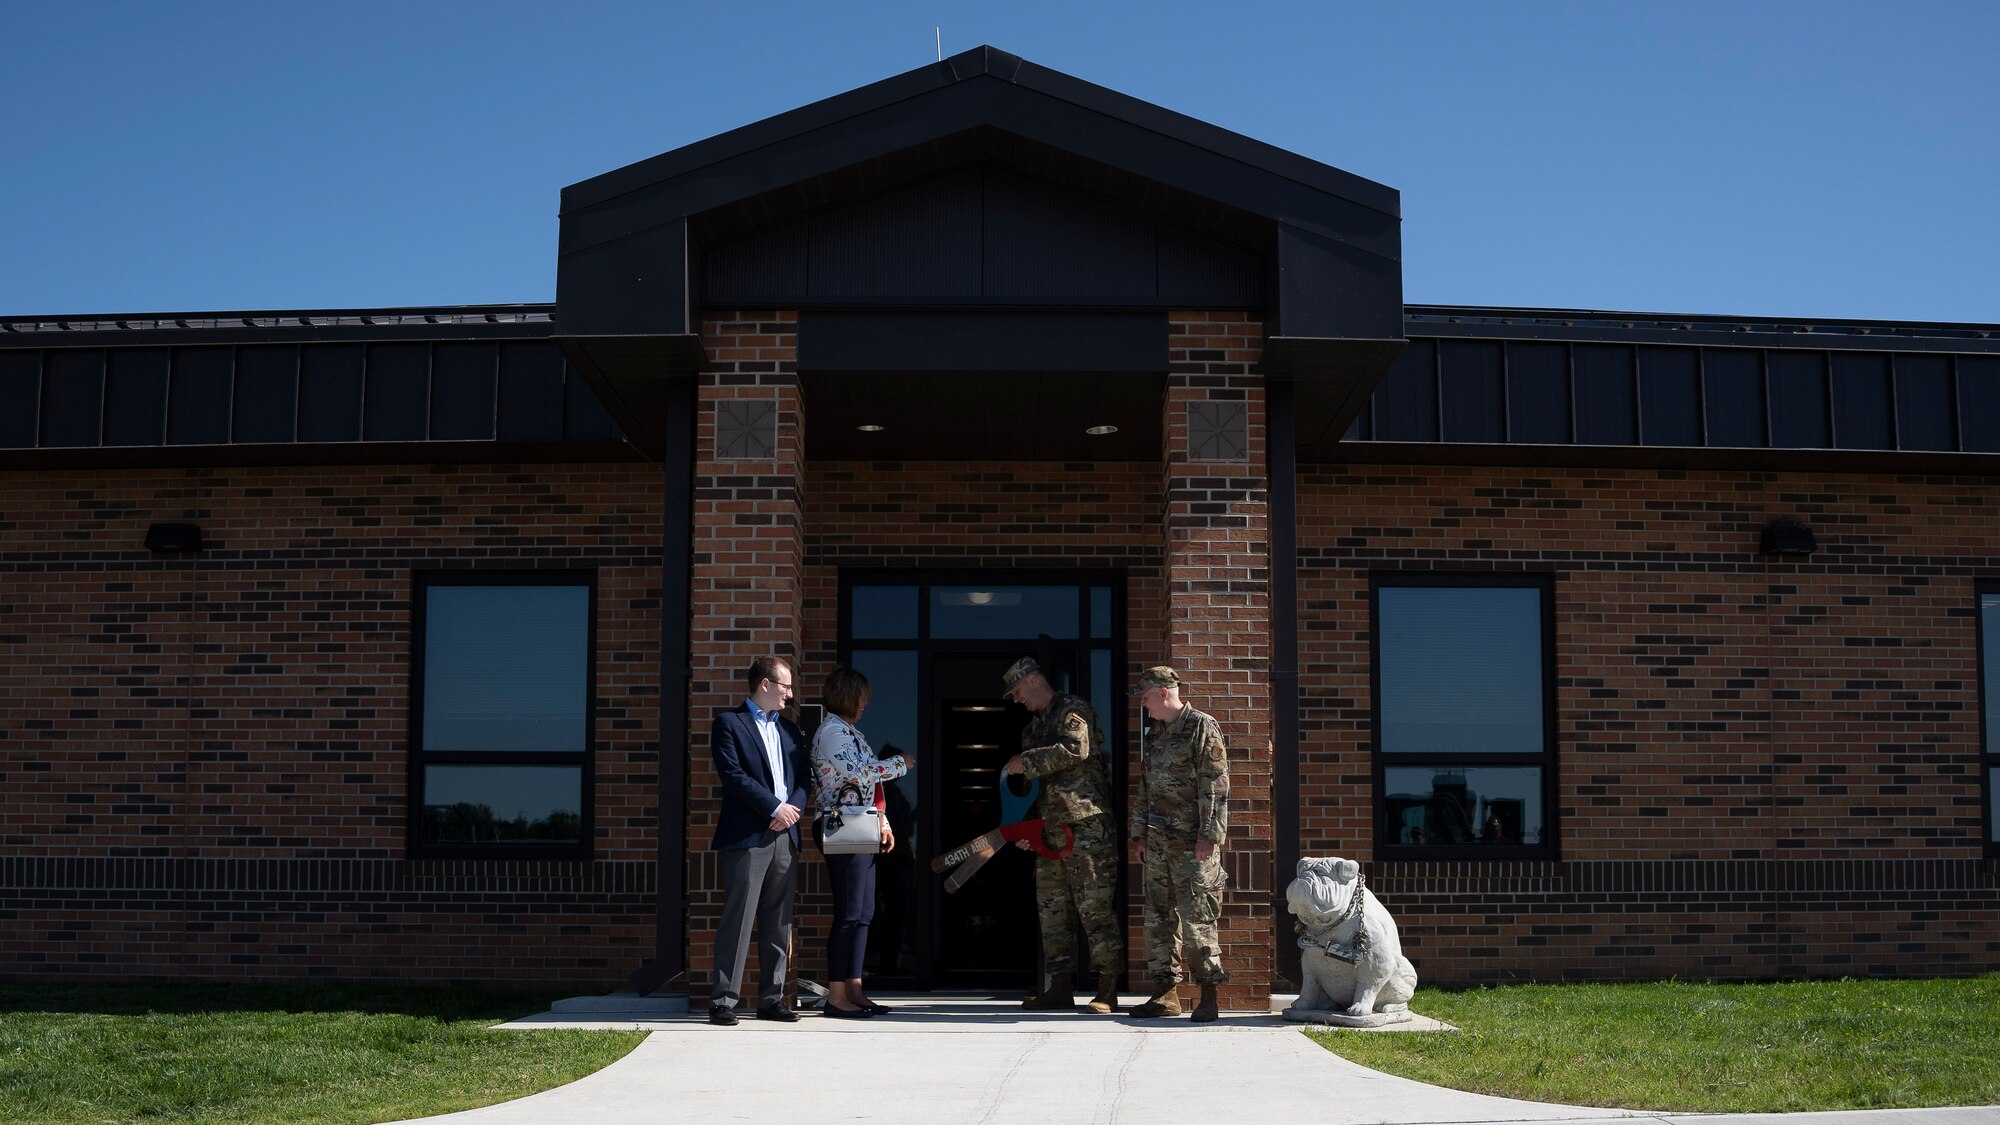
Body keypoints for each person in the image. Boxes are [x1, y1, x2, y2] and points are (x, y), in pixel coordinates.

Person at [1001, 657, 1123, 1014]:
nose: (1016, 699)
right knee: (1052, 911)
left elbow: (1075, 748)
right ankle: (1058, 988)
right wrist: (1029, 829)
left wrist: (1027, 761)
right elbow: (1037, 790)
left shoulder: (1073, 708)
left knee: (1095, 907)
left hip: (1086, 825)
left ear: (1034, 680)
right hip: (1050, 830)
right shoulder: (1031, 730)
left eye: (1018, 691)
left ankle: (1108, 989)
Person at [707, 655, 810, 1026]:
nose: (790, 694)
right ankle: (722, 1001)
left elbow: (804, 778)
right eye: (785, 686)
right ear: (765, 684)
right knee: (739, 918)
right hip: (749, 835)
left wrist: (792, 810)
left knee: (778, 922)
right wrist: (773, 808)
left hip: (786, 833)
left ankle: (771, 999)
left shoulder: (791, 731)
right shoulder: (729, 724)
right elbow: (733, 776)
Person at [810, 666, 913, 1019]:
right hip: (842, 828)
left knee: (864, 913)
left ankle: (854, 989)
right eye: (863, 695)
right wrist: (900, 763)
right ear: (848, 695)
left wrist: (882, 822)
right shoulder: (832, 733)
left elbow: (869, 789)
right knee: (849, 913)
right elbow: (858, 773)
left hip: (861, 828)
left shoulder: (852, 733)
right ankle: (836, 996)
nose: (867, 702)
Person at [1128, 665, 1229, 1023]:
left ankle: (1208, 995)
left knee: (1197, 919)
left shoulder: (1201, 726)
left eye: (1145, 697)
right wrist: (1139, 834)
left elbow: (1214, 787)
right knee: (1157, 919)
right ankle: (1165, 994)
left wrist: (1208, 837)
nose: (1143, 705)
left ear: (1163, 693)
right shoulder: (1155, 734)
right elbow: (1145, 787)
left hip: (1191, 845)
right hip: (1157, 844)